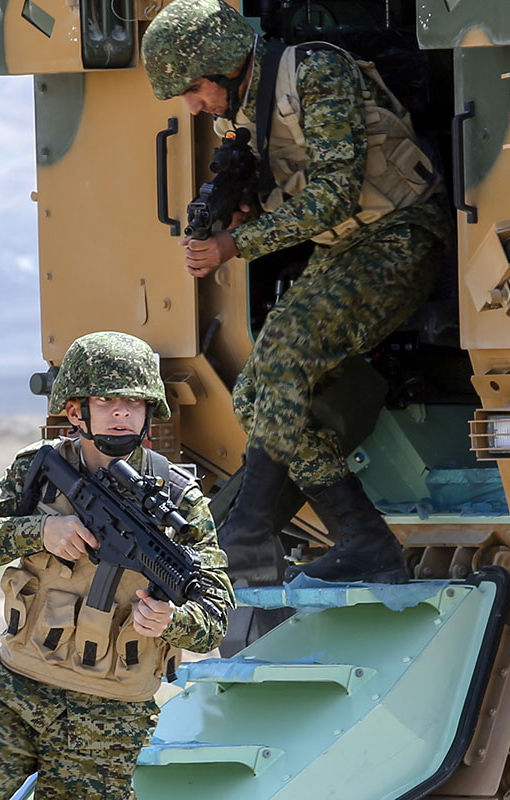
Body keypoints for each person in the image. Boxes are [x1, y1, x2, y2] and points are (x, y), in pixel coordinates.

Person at [141, 0, 453, 585]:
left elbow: (335, 194)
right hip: (349, 249)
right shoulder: (249, 110)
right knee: (256, 394)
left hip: (402, 236)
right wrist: (247, 204)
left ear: (224, 65)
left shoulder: (315, 73)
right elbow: (306, 190)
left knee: (284, 357)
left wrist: (236, 246)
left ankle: (247, 532)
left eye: (195, 89)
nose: (194, 104)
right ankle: (365, 539)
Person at [0, 331, 234, 800]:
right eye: (107, 400)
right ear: (75, 412)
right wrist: (38, 531)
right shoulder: (40, 467)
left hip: (107, 722)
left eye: (135, 403)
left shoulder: (179, 499)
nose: (121, 413)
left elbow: (215, 615)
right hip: (14, 692)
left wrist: (173, 621)